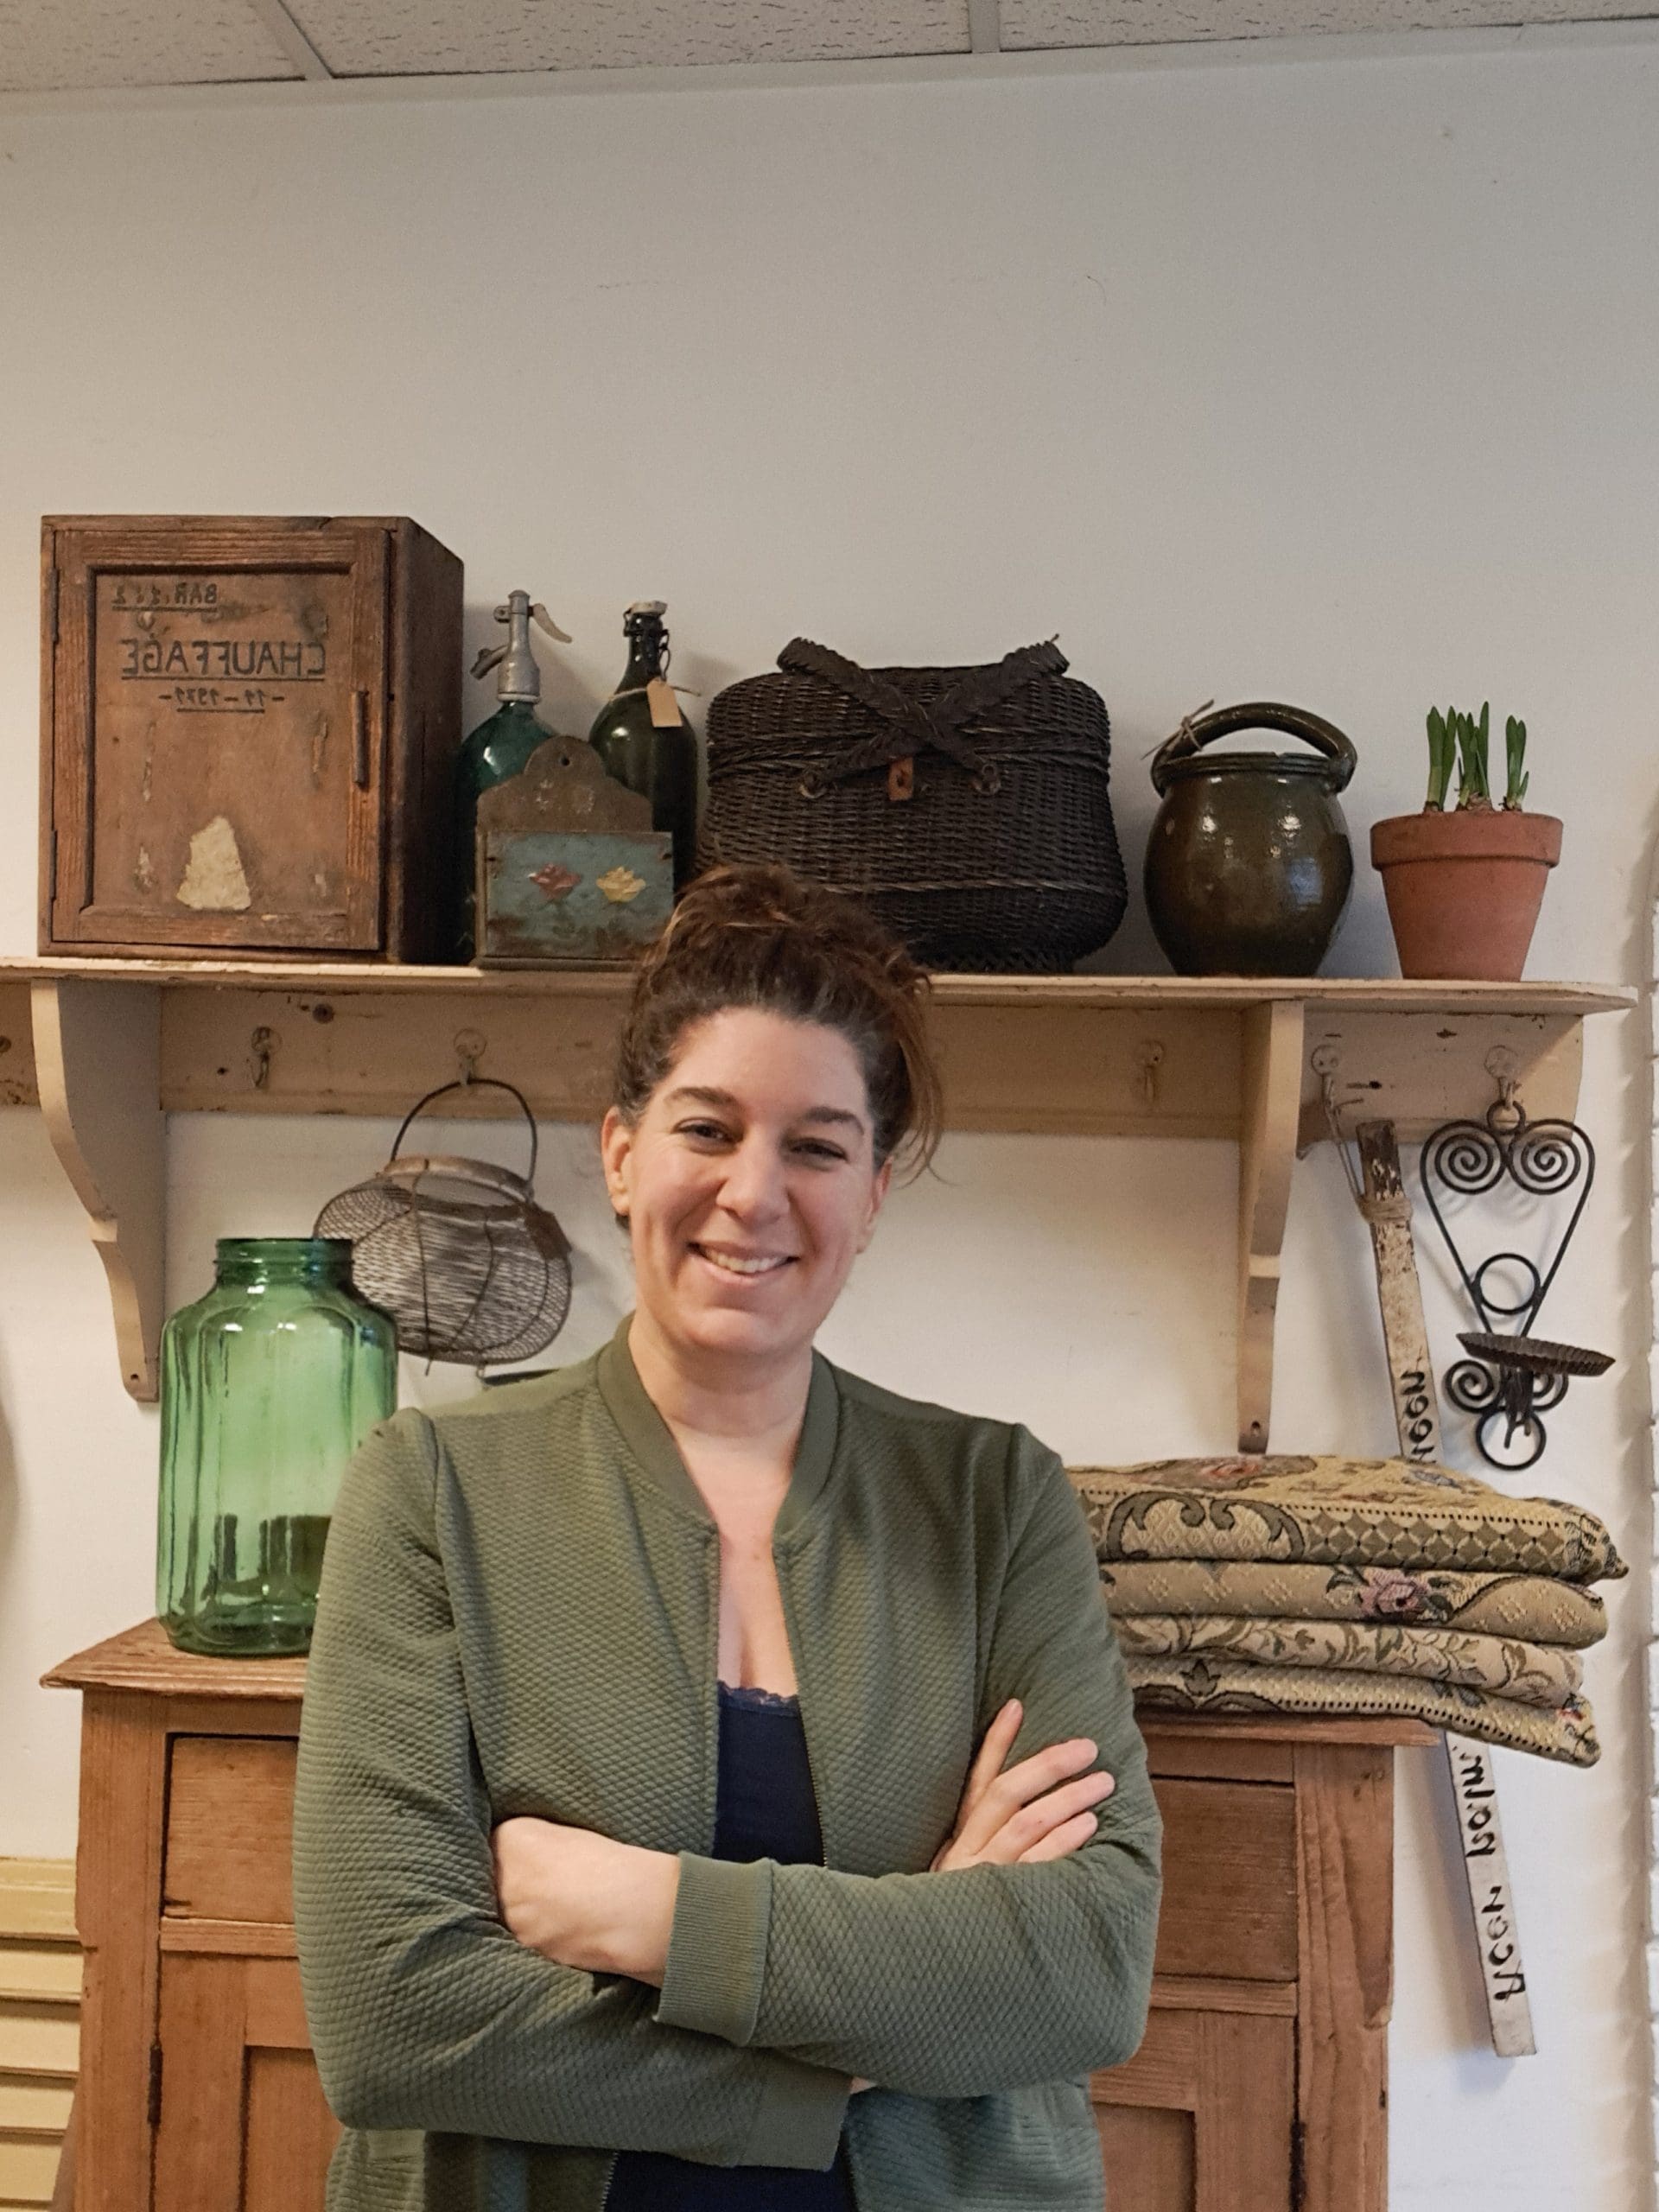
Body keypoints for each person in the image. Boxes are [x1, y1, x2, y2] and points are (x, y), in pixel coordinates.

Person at [293, 861, 1162, 2212]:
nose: (754, 1194)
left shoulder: (996, 1499)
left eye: (816, 1146)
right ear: (621, 1153)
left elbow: (1085, 1971)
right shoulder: (434, 1490)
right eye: (708, 1128)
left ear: (872, 1193)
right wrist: (864, 2039)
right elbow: (395, 2017)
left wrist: (649, 1914)